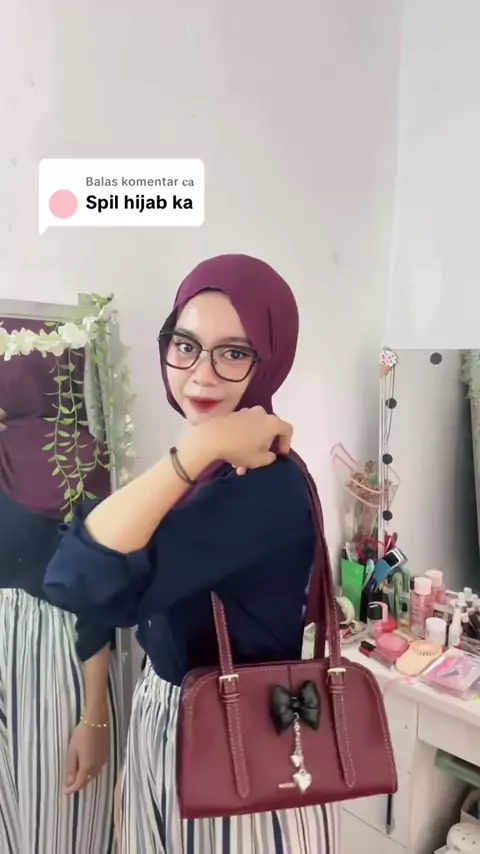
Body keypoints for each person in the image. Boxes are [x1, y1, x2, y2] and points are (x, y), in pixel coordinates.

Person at [44, 254, 340, 854]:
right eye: (185, 345)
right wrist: (136, 751)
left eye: (233, 353)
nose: (201, 374)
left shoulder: (261, 486)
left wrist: (195, 450)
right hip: (174, 728)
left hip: (236, 751)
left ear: (270, 359)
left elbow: (78, 577)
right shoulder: (208, 470)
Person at [0, 326, 120, 854]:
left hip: (51, 664)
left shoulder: (81, 459)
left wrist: (94, 716)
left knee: (52, 826)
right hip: (35, 661)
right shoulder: (74, 457)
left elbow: (95, 597)